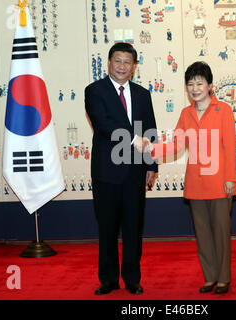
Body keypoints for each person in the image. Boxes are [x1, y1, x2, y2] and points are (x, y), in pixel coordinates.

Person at [139, 61, 236, 294]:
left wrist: (230, 178)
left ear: (210, 85)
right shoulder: (186, 114)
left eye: (199, 83)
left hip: (219, 181)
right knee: (202, 232)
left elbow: (229, 146)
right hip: (196, 182)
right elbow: (176, 145)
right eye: (190, 84)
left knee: (221, 232)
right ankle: (210, 277)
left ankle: (224, 277)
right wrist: (151, 148)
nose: (195, 88)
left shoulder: (223, 110)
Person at [85, 42, 157, 295]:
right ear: (109, 62)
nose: (122, 66)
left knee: (133, 227)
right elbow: (103, 124)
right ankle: (108, 278)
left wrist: (151, 164)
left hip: (135, 172)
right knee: (106, 227)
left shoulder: (142, 94)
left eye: (128, 62)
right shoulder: (95, 91)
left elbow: (149, 130)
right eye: (118, 61)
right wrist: (132, 138)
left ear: (134, 67)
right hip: (106, 171)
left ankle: (132, 278)